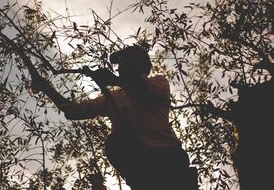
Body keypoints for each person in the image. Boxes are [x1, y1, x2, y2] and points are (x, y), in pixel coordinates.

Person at [28, 45, 197, 190]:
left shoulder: (158, 83)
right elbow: (74, 111)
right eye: (121, 63)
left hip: (167, 158)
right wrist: (46, 88)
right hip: (140, 170)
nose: (122, 66)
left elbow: (140, 90)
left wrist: (112, 79)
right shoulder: (115, 97)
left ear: (142, 64)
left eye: (127, 60)